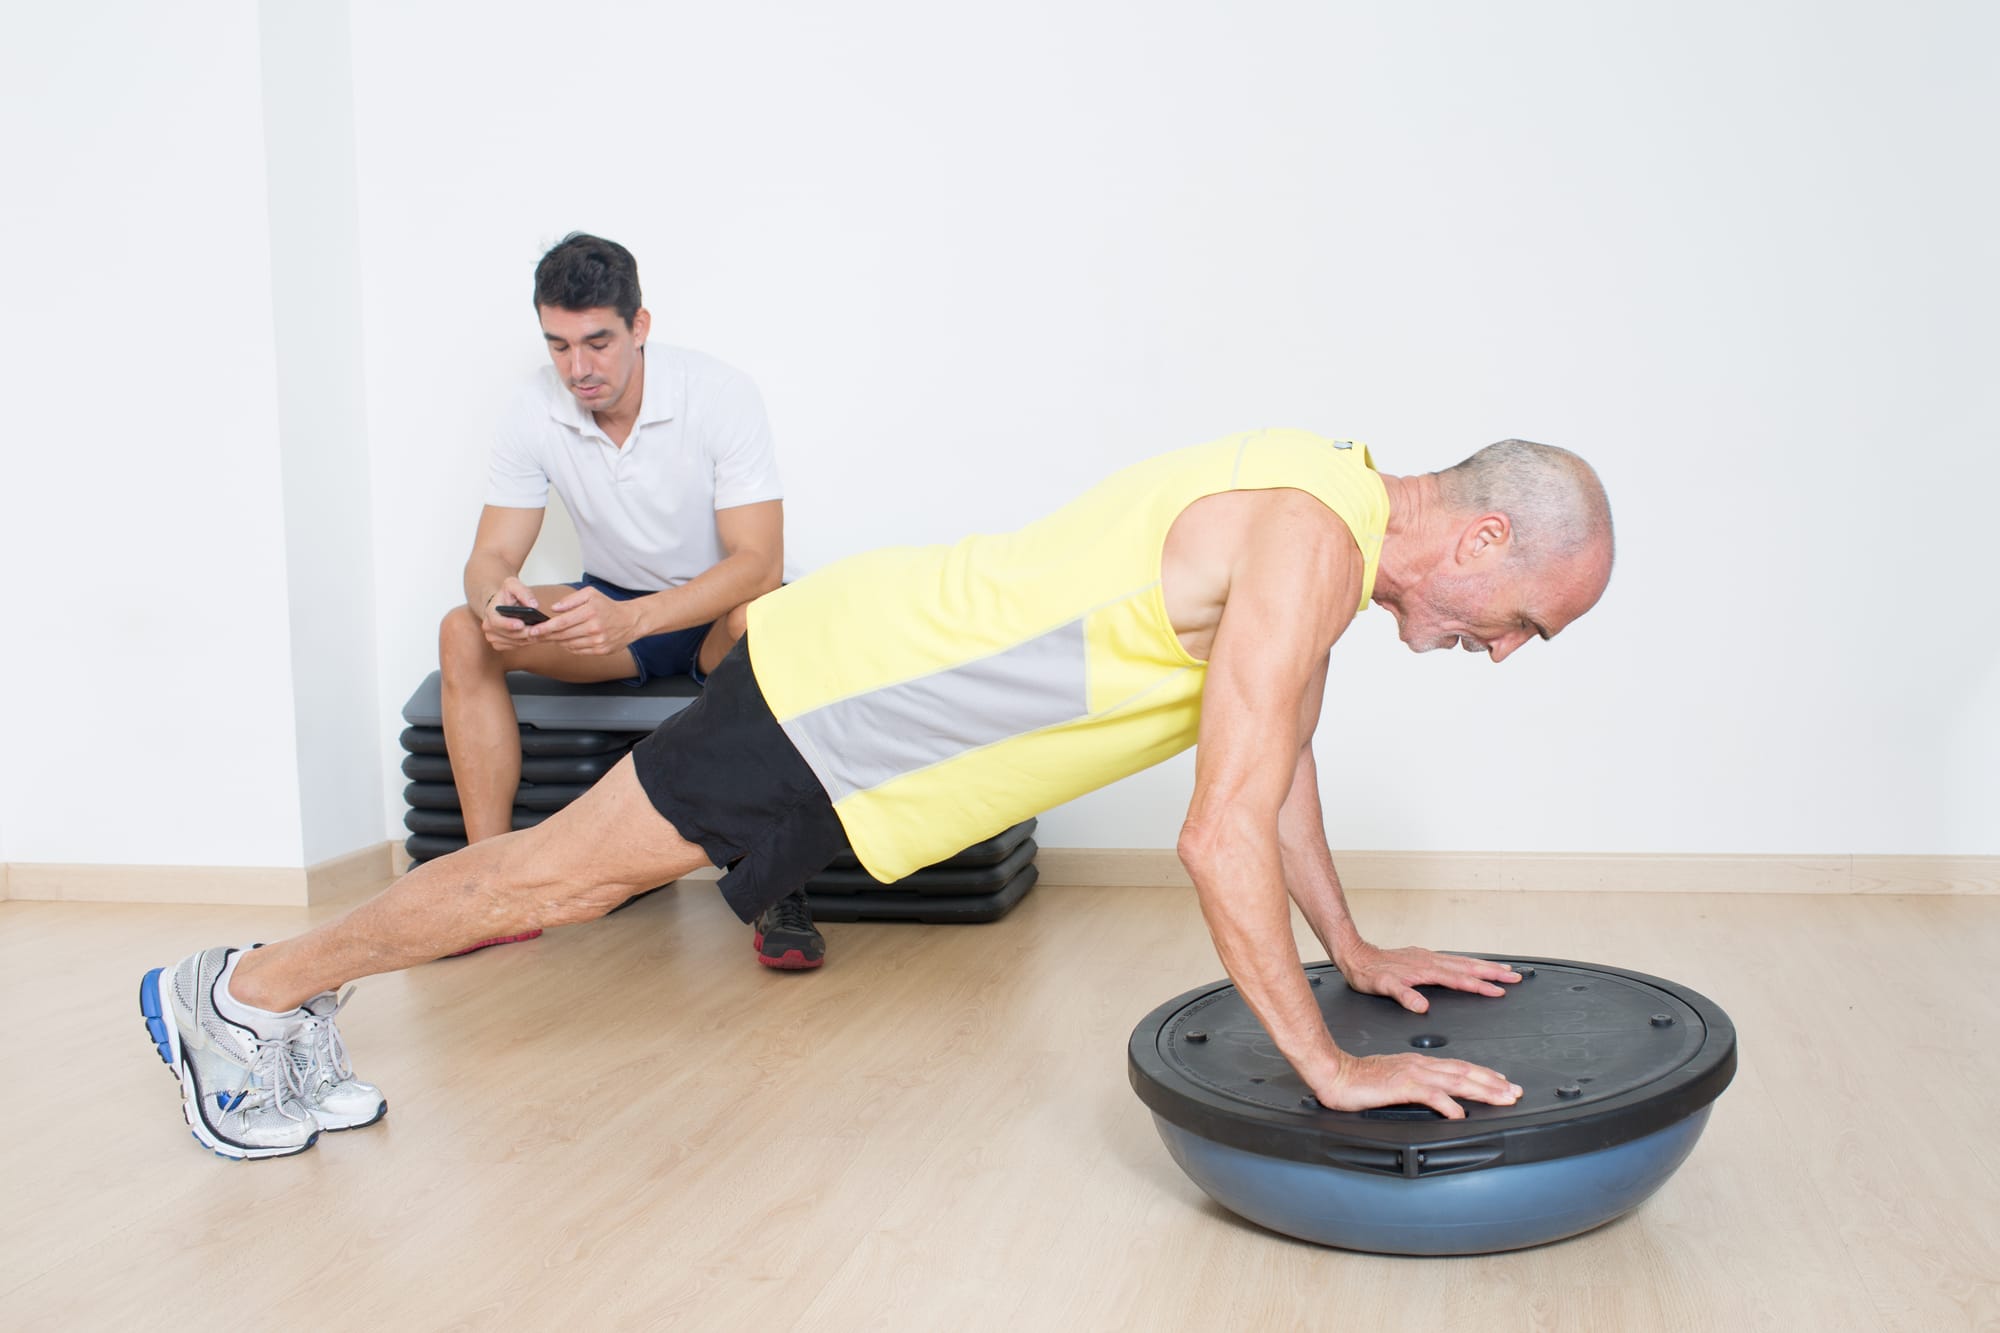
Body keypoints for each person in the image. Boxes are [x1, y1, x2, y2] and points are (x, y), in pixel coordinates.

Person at [138, 430, 1614, 1160]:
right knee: (552, 880)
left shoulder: (1325, 507)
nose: (1502, 649)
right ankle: (241, 989)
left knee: (561, 877)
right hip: (837, 701)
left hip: (859, 705)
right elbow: (1218, 825)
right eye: (1526, 618)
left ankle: (274, 997)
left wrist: (1351, 954)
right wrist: (1332, 1066)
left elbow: (1275, 764)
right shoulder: (1316, 541)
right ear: (1483, 535)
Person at [436, 232, 800, 962]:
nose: (579, 367)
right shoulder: (533, 407)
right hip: (612, 609)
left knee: (762, 616)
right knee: (460, 629)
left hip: (709, 613)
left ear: (640, 326)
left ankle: (780, 889)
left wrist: (634, 616)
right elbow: (490, 556)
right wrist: (494, 600)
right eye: (559, 345)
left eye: (598, 342)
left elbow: (759, 563)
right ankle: (492, 887)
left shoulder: (719, 393)